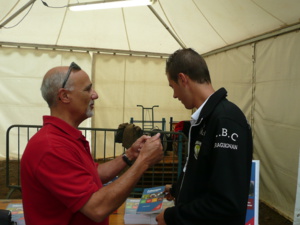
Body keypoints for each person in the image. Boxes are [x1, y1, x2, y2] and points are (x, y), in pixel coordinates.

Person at [20, 62, 164, 225]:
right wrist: (143, 161)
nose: (95, 95)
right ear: (64, 96)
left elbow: (93, 175)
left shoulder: (65, 138)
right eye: (87, 89)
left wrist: (130, 155)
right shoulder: (51, 147)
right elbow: (97, 208)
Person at [156, 48, 253, 225]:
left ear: (183, 79)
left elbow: (226, 204)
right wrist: (178, 189)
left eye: (173, 87)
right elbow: (205, 173)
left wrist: (172, 217)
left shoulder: (225, 119)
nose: (174, 95)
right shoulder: (205, 119)